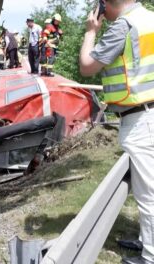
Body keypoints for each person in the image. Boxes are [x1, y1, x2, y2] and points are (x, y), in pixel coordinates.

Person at [79, 1, 154, 264]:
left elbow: (87, 66)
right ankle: (147, 240)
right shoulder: (150, 20)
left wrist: (91, 32)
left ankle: (151, 256)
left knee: (148, 194)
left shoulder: (123, 26)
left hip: (141, 118)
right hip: (149, 113)